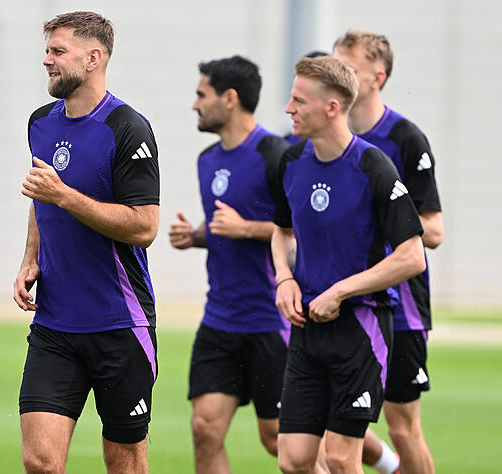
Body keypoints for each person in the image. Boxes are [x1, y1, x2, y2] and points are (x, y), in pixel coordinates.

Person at [12, 11, 160, 474]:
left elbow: (144, 226)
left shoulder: (127, 128)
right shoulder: (40, 123)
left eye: (58, 51)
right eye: (47, 50)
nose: (46, 60)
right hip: (55, 323)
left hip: (120, 323)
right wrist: (31, 257)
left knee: (123, 461)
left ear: (93, 58)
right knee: (40, 462)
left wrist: (66, 196)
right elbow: (42, 196)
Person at [272, 56, 426, 474]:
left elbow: (412, 256)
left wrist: (341, 291)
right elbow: (281, 231)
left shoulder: (373, 166)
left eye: (299, 101)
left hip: (361, 326)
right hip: (307, 328)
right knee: (294, 459)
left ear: (332, 107)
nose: (288, 108)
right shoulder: (291, 161)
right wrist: (284, 278)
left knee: (342, 459)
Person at [168, 56, 290, 473]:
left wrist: (247, 228)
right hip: (220, 319)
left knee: (279, 440)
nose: (194, 104)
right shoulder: (207, 160)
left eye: (201, 95)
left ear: (230, 98)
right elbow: (223, 223)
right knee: (205, 428)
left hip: (272, 321)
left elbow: (305, 235)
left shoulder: (276, 155)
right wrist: (196, 236)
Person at [333, 30, 443, 474]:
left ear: (377, 77)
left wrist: (378, 219)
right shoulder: (326, 138)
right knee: (328, 421)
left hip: (401, 308)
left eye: (349, 68)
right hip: (341, 302)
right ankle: (388, 468)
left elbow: (433, 230)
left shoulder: (404, 138)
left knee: (402, 426)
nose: (338, 75)